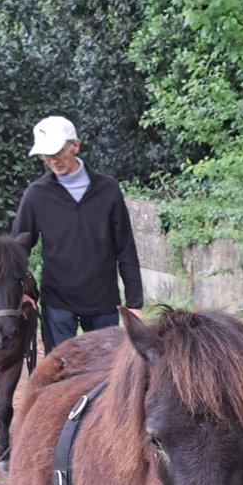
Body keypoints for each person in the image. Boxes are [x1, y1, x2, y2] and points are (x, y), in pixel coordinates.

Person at [12, 115, 143, 352]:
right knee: (60, 368)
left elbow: (125, 248)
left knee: (105, 369)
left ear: (75, 145)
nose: (53, 160)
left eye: (58, 151)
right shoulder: (36, 194)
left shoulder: (108, 190)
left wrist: (134, 303)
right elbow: (18, 248)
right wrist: (20, 292)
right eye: (46, 155)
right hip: (58, 303)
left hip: (103, 302)